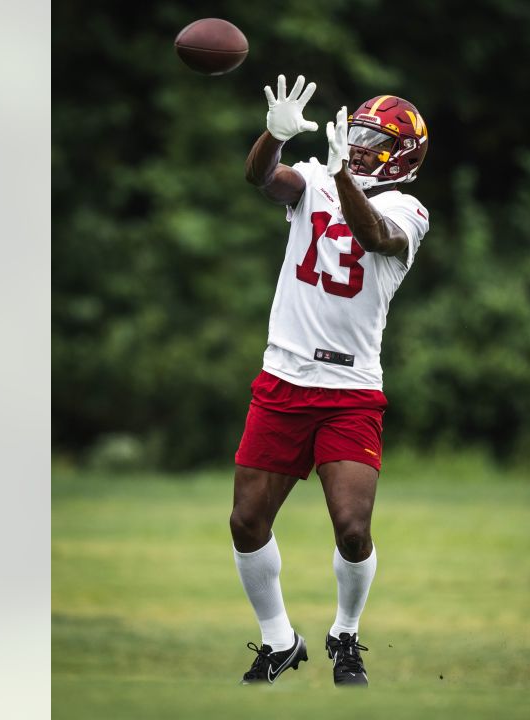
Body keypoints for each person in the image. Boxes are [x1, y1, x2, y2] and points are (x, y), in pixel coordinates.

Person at [230, 74, 430, 688]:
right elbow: (262, 178)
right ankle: (278, 641)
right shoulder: (318, 177)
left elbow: (372, 234)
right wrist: (273, 136)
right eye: (360, 133)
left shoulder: (407, 210)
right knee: (245, 522)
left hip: (349, 392)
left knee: (352, 527)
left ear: (405, 154)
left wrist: (343, 174)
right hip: (284, 378)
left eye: (375, 138)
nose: (362, 144)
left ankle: (345, 633)